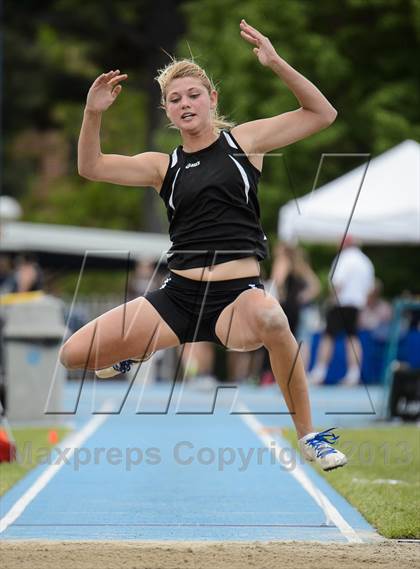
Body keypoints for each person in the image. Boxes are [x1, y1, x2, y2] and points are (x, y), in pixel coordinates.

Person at [60, 19, 346, 470]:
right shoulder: (162, 166)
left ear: (212, 100)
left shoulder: (245, 142)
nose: (185, 104)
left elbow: (322, 114)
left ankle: (309, 435)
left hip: (237, 299)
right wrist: (93, 113)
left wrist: (275, 63)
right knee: (73, 355)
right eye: (175, 100)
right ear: (167, 113)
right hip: (178, 297)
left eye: (194, 95)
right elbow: (91, 166)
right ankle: (135, 350)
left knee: (273, 316)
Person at [309, 235, 375, 387]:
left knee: (328, 337)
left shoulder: (344, 258)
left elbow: (338, 283)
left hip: (341, 303)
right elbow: (370, 288)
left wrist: (331, 300)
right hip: (356, 304)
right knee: (352, 338)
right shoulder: (365, 261)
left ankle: (319, 372)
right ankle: (353, 374)